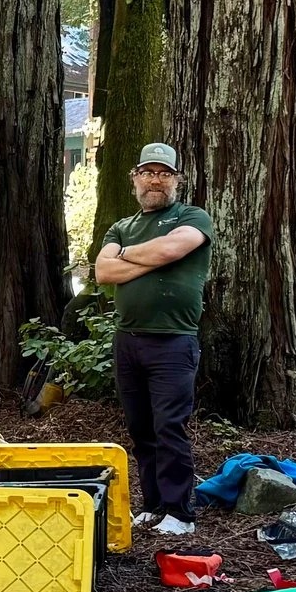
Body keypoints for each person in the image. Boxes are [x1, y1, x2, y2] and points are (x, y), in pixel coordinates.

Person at [94, 141, 214, 537]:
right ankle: (155, 505)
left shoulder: (193, 216)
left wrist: (126, 257)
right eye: (148, 172)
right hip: (128, 341)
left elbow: (172, 249)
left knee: (169, 427)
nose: (155, 180)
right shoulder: (121, 226)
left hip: (173, 342)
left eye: (164, 173)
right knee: (140, 428)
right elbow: (103, 273)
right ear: (135, 179)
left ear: (176, 179)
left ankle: (181, 512)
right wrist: (144, 257)